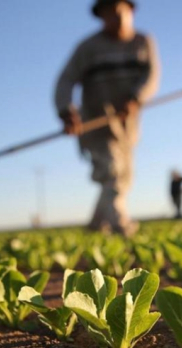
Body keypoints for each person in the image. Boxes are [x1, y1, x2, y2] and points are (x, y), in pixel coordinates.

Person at [55, 0, 160, 236]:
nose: (116, 17)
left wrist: (136, 98)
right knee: (111, 171)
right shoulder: (88, 48)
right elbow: (65, 80)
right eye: (110, 13)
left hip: (127, 125)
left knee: (123, 176)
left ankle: (95, 226)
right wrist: (65, 110)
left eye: (120, 11)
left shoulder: (143, 42)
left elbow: (151, 75)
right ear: (101, 16)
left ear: (131, 11)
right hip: (96, 123)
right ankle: (120, 226)